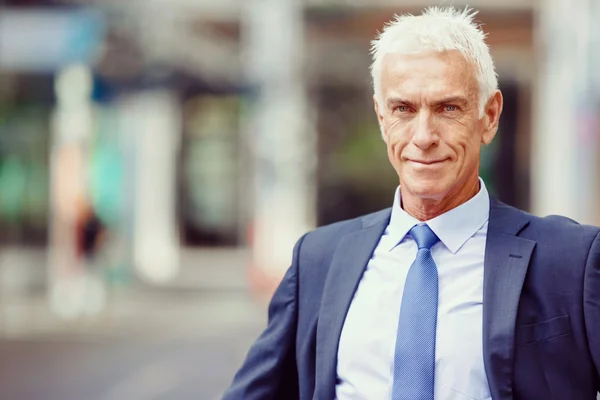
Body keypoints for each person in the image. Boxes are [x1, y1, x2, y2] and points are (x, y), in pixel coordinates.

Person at [223, 6, 600, 400]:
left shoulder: (571, 260)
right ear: (382, 117)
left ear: (489, 116)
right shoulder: (318, 259)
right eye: (403, 109)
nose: (423, 136)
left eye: (448, 108)